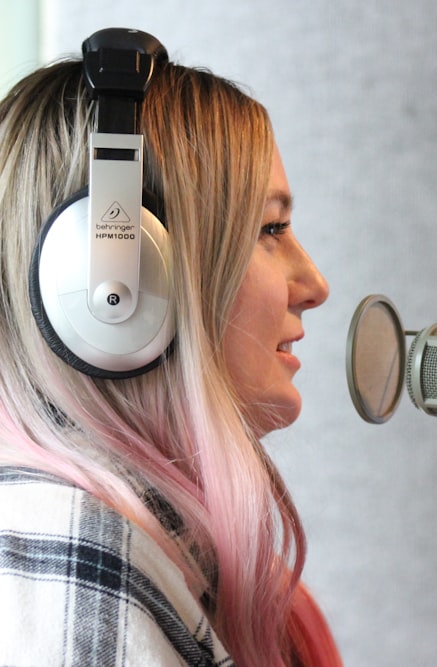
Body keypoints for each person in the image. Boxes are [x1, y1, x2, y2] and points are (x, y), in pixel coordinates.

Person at [0, 29, 338, 666]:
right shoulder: (80, 568)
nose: (314, 286)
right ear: (114, 287)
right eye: (271, 229)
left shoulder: (155, 562)